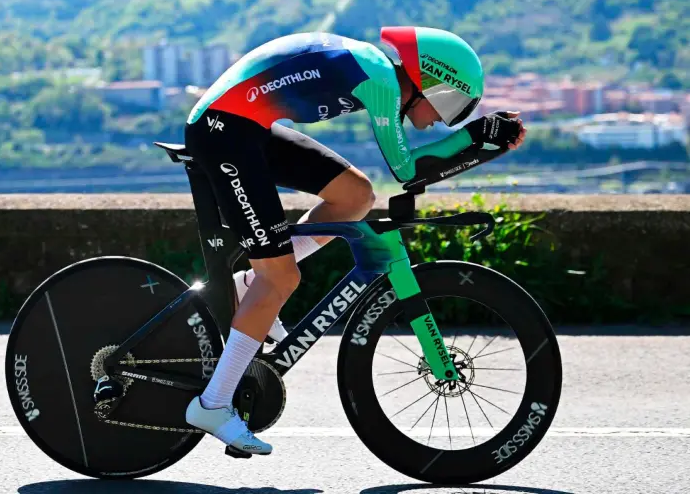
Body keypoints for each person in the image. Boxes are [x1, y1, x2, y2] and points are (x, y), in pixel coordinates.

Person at [184, 26, 527, 455]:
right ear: (428, 80)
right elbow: (406, 170)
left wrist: (478, 141)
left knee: (355, 196)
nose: (444, 120)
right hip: (223, 132)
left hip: (245, 126)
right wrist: (474, 139)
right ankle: (214, 405)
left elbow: (404, 173)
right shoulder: (380, 80)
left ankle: (250, 286)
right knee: (281, 279)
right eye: (450, 105)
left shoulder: (375, 71)